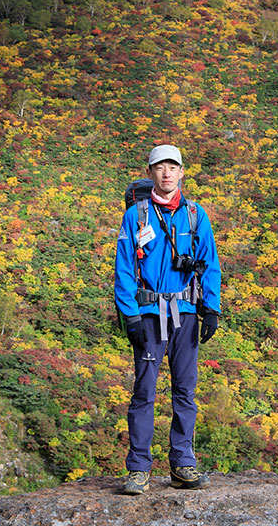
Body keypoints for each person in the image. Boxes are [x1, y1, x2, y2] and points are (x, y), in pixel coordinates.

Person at [114, 144, 221, 494]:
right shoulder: (136, 216)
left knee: (185, 391)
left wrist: (212, 307)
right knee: (144, 391)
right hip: (147, 314)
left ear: (182, 172)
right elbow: (124, 269)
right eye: (159, 167)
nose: (166, 173)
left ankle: (182, 465)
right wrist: (129, 315)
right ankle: (139, 469)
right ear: (150, 173)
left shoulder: (195, 214)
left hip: (186, 314)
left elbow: (209, 262)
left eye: (172, 166)